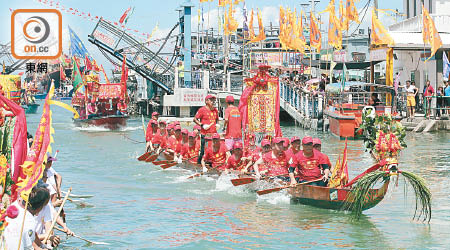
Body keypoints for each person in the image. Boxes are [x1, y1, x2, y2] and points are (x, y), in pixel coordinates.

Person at [194, 95, 219, 164]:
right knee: (203, 151)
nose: (213, 102)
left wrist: (217, 125)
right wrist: (202, 125)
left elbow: (217, 120)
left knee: (214, 150)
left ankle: (212, 163)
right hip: (205, 134)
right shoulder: (202, 110)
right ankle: (199, 164)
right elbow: (195, 119)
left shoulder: (215, 110)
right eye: (211, 100)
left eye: (213, 100)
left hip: (214, 135)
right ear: (206, 101)